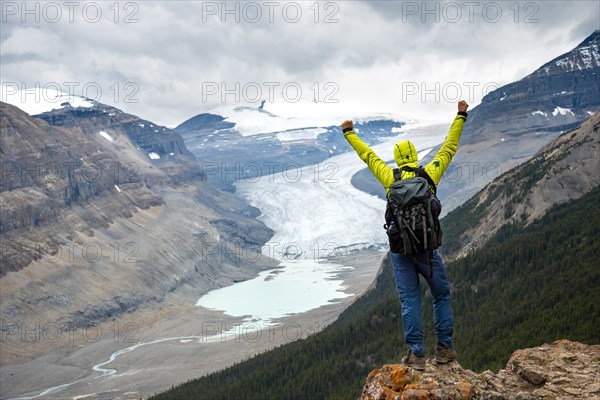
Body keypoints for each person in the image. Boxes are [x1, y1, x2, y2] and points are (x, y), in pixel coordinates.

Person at [340, 100, 469, 370]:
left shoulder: (390, 178)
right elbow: (450, 146)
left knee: (409, 299)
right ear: (415, 156)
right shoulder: (430, 175)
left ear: (399, 158)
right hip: (428, 250)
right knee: (441, 295)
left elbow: (368, 156)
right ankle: (444, 349)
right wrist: (460, 115)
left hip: (401, 251)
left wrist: (349, 133)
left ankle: (417, 355)